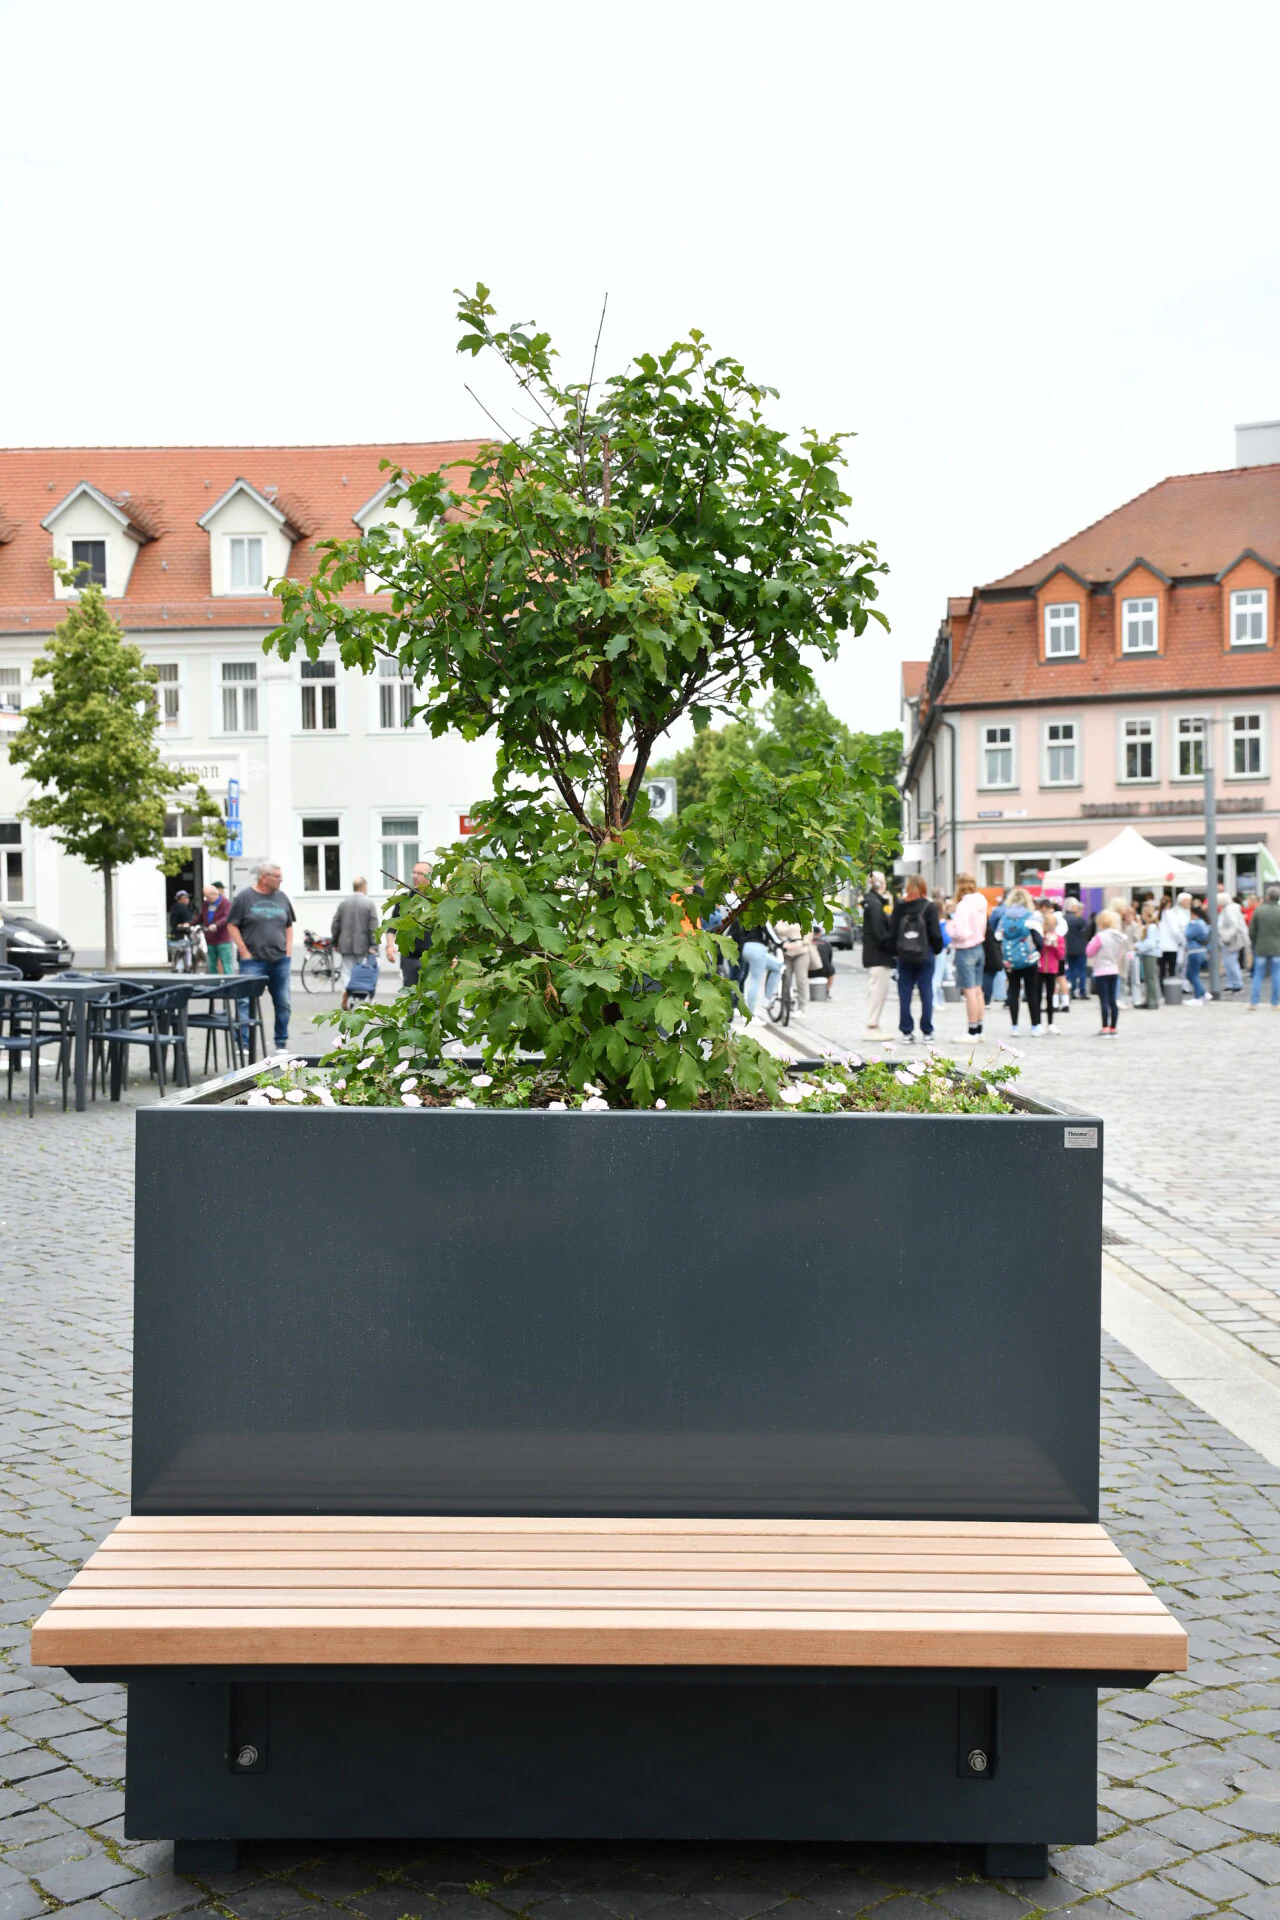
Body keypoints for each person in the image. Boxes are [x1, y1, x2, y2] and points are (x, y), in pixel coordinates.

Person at [228, 860, 296, 1051]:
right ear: (263, 877)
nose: (281, 880)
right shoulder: (244, 897)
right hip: (253, 961)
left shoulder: (282, 898)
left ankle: (281, 1042)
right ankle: (244, 1043)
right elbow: (232, 924)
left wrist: (289, 950)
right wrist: (243, 950)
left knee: (283, 1002)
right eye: (277, 876)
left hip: (280, 960)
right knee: (245, 1001)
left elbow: (289, 925)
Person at [894, 874, 942, 1042]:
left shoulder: (900, 906)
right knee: (926, 991)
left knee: (905, 992)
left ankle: (906, 1031)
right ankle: (927, 1030)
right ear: (924, 887)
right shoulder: (929, 907)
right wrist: (936, 950)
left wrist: (896, 952)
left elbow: (893, 932)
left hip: (904, 955)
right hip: (925, 954)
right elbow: (936, 933)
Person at [945, 873, 987, 1038]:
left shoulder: (964, 905)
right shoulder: (981, 902)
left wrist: (950, 928)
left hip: (966, 948)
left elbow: (961, 932)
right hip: (979, 947)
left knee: (969, 992)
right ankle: (980, 1027)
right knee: (978, 990)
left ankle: (972, 1030)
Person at [999, 886, 1044, 1037]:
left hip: (1010, 960)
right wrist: (1038, 952)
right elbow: (1039, 939)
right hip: (1029, 960)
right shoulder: (1031, 916)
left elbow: (998, 936)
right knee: (1032, 992)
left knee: (1013, 991)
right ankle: (1035, 1025)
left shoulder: (1004, 917)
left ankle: (1014, 1026)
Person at [332, 877, 380, 1010]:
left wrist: (335, 941)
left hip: (345, 945)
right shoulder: (368, 904)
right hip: (363, 946)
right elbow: (373, 927)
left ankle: (346, 994)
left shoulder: (344, 903)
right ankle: (363, 1001)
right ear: (364, 887)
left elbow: (335, 924)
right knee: (363, 973)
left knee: (347, 971)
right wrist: (374, 945)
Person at [387, 860, 433, 990]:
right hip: (410, 958)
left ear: (429, 876)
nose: (415, 876)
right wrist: (390, 945)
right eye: (414, 873)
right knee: (410, 994)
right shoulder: (404, 899)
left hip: (433, 958)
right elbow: (392, 925)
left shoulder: (437, 898)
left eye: (420, 873)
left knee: (432, 995)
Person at [860, 871, 896, 1033]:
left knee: (878, 989)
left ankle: (873, 1022)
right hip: (878, 955)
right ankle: (872, 1023)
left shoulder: (873, 902)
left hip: (877, 954)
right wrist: (892, 947)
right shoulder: (874, 904)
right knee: (877, 990)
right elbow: (879, 933)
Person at [1086, 908, 1126, 1036]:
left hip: (1101, 970)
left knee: (1103, 1000)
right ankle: (1113, 1027)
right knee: (1113, 1000)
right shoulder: (1119, 937)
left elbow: (1089, 952)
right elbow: (1120, 953)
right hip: (1114, 969)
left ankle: (1104, 1027)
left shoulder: (1100, 937)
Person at [733, 919, 782, 1022]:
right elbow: (770, 932)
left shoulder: (743, 914)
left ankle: (767, 999)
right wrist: (781, 943)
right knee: (755, 981)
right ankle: (750, 1015)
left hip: (746, 947)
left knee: (777, 966)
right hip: (758, 948)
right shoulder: (761, 915)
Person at [1248, 883, 1280, 1009]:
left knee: (1258, 975)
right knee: (1277, 975)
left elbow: (1252, 931)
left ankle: (1254, 1002)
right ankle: (1275, 1003)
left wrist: (1255, 943)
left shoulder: (1259, 910)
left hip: (1260, 947)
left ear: (1267, 897)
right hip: (1277, 949)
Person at [1038, 905, 1066, 1034]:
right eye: (1048, 924)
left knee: (1050, 996)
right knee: (1037, 996)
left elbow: (1061, 955)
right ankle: (1037, 1022)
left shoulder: (1059, 938)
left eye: (1053, 924)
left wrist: (1054, 945)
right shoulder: (1040, 937)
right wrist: (1044, 943)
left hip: (1052, 969)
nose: (1051, 926)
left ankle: (1050, 1022)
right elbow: (1037, 952)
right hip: (1039, 969)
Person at [1218, 890, 1247, 994]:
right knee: (1228, 962)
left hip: (1231, 940)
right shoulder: (1228, 908)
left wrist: (1227, 937)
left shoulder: (1229, 910)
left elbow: (1234, 925)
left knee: (1231, 962)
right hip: (1229, 939)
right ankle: (1232, 983)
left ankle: (1237, 984)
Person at [203, 882, 235, 975]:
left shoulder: (226, 903)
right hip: (210, 938)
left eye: (208, 896)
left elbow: (226, 917)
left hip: (222, 938)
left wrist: (216, 924)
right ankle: (212, 985)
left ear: (215, 893)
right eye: (206, 897)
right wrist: (189, 923)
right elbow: (201, 916)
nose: (207, 899)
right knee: (211, 965)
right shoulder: (206, 904)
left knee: (226, 963)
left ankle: (230, 984)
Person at [1134, 903, 1162, 1010]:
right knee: (1150, 978)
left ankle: (1152, 1001)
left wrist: (1137, 946)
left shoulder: (1151, 927)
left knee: (1150, 978)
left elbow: (1150, 944)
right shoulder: (1151, 926)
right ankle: (1149, 999)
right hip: (1149, 954)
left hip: (1150, 954)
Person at [1159, 892, 1190, 983]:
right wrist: (1180, 941)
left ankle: (1163, 989)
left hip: (1161, 946)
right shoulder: (1171, 914)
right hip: (1172, 946)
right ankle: (1171, 989)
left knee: (1162, 970)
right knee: (1172, 969)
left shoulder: (1158, 914)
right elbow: (1175, 930)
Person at [1062, 898, 1089, 999]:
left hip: (1068, 948)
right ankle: (1082, 991)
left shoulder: (1063, 918)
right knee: (1081, 970)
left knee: (1071, 970)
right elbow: (1087, 931)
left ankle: (1071, 990)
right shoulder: (1079, 919)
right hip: (1080, 948)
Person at [1184, 905, 1210, 1002]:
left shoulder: (1196, 924)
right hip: (1200, 950)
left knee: (1191, 974)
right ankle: (1202, 993)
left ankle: (1199, 995)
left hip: (1195, 950)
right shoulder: (1203, 923)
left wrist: (1189, 924)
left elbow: (1188, 934)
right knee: (1193, 974)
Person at [808, 926, 836, 997]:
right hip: (825, 971)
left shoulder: (807, 943)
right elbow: (829, 959)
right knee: (832, 971)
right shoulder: (826, 944)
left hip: (809, 971)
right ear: (819, 933)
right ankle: (827, 990)